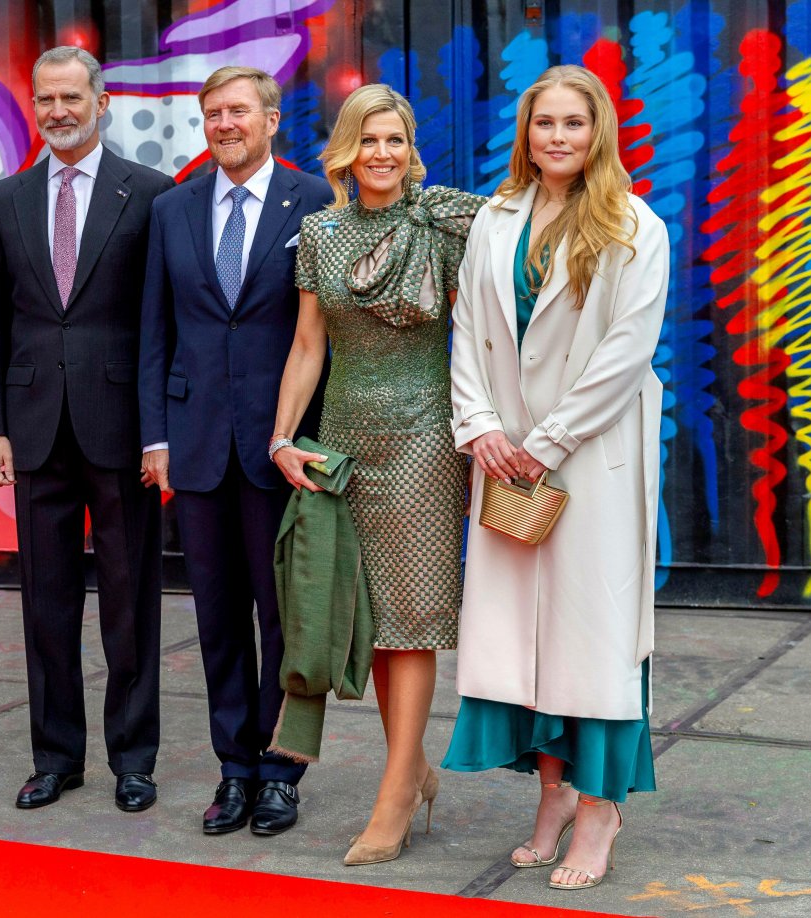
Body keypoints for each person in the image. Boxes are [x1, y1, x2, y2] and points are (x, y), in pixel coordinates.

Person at [441, 64, 668, 891]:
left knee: (592, 643)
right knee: (523, 645)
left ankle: (599, 809)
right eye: (545, 123)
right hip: (506, 459)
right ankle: (553, 798)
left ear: (598, 130)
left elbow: (625, 354)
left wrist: (548, 440)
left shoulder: (635, 225)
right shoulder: (494, 218)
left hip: (590, 462)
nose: (559, 136)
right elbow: (469, 330)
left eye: (575, 122)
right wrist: (479, 426)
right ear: (526, 135)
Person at [270, 84, 483, 865]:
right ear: (346, 152)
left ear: (411, 148)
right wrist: (282, 437)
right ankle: (412, 768)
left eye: (395, 139)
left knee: (412, 618)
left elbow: (480, 332)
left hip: (425, 438)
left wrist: (482, 426)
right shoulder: (320, 233)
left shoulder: (444, 226)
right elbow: (307, 346)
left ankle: (394, 796)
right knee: (375, 621)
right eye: (368, 140)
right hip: (346, 440)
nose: (383, 153)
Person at [0, 47, 174, 815]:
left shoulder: (149, 193)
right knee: (45, 604)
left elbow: (160, 323)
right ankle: (56, 758)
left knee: (131, 601)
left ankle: (134, 758)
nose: (57, 111)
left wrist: (159, 431)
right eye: (45, 99)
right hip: (32, 428)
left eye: (70, 97)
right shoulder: (5, 199)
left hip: (120, 426)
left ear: (101, 102)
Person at [138, 66, 333, 837]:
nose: (225, 124)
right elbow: (154, 330)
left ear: (272, 120)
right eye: (213, 113)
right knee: (217, 619)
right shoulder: (172, 209)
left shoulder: (314, 200)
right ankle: (235, 769)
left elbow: (325, 334)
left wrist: (316, 436)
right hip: (195, 447)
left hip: (281, 447)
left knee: (285, 618)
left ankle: (281, 773)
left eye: (239, 111)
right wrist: (156, 436)